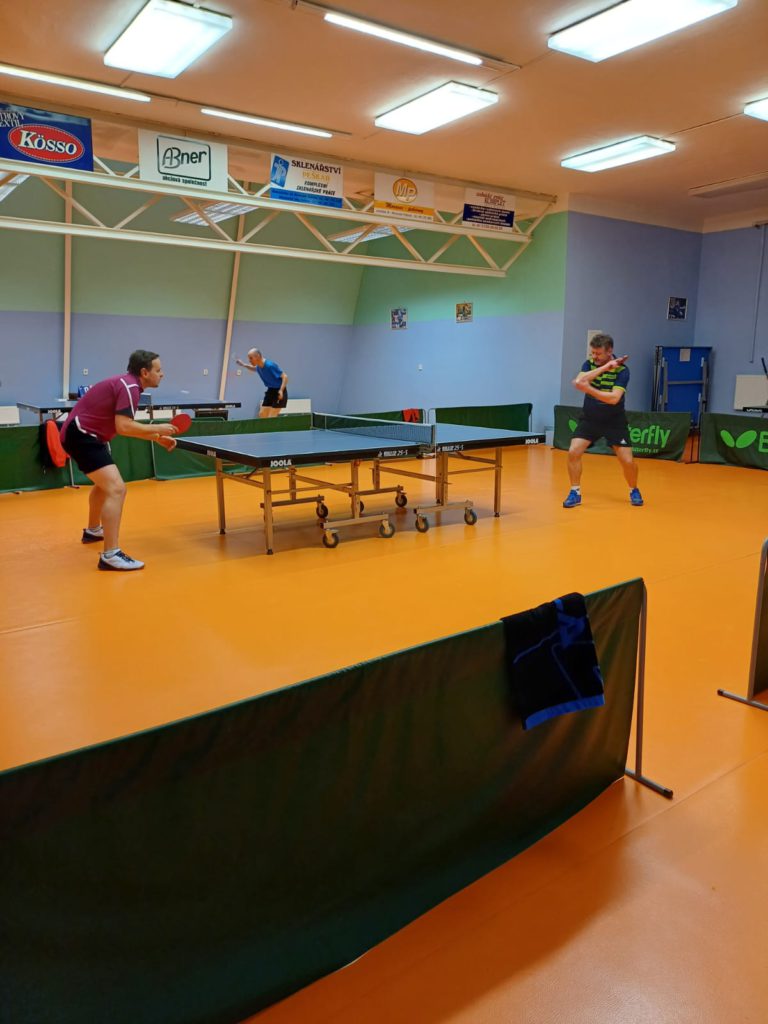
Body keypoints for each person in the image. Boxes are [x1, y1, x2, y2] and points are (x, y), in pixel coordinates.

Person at [60, 350, 178, 571]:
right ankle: (110, 554)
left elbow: (124, 427)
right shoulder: (130, 387)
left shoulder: (128, 384)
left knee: (104, 485)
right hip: (82, 435)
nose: (162, 374)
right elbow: (123, 426)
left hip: (83, 434)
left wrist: (157, 437)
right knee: (116, 488)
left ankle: (93, 530)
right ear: (144, 372)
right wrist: (158, 428)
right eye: (158, 370)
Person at [563, 333, 643, 509]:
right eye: (593, 353)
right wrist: (606, 367)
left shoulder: (623, 371)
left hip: (614, 421)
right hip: (590, 419)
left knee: (627, 462)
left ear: (609, 351)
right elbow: (580, 380)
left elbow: (614, 399)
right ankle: (575, 492)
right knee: (573, 451)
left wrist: (588, 389)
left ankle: (634, 489)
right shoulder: (589, 364)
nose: (594, 356)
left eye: (598, 353)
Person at [236, 349, 288, 417]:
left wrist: (281, 390)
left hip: (279, 391)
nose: (249, 360)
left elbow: (285, 377)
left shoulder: (270, 365)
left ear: (257, 356)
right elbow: (254, 368)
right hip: (270, 391)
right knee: (262, 414)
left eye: (251, 358)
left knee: (272, 416)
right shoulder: (259, 366)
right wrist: (243, 365)